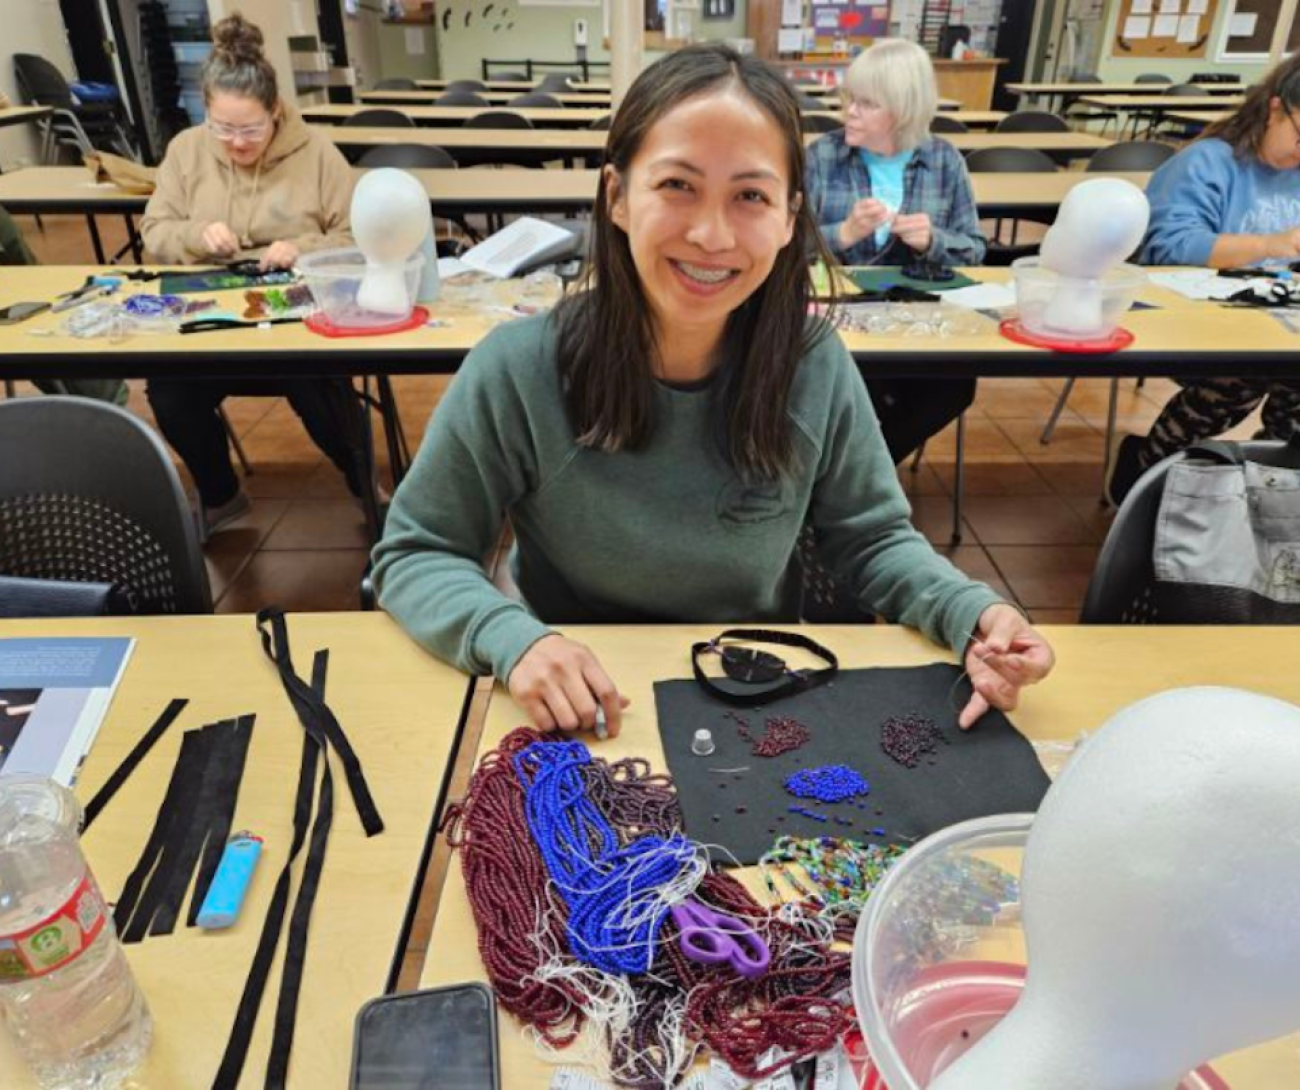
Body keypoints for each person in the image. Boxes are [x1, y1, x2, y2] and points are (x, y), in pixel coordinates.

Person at [373, 43, 1053, 739]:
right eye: (677, 185)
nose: (711, 234)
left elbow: (872, 539)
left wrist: (969, 614)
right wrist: (511, 638)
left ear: (790, 218)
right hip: (574, 708)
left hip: (752, 699)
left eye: (751, 196)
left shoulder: (813, 365)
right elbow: (417, 551)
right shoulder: (517, 369)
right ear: (617, 196)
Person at [140, 14, 364, 535]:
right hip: (208, 311)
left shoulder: (317, 154)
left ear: (276, 112)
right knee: (169, 389)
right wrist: (198, 236)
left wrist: (301, 247)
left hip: (294, 311)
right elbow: (155, 231)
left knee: (315, 380)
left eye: (250, 130)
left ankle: (362, 487)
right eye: (223, 129)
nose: (236, 143)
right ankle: (221, 495)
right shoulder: (186, 152)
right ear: (206, 114)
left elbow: (355, 237)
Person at [1108, 54, 1300, 506]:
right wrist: (1273, 244)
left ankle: (1275, 488)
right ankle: (1145, 476)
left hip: (1275, 319)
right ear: (1275, 109)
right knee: (1243, 374)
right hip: (1192, 320)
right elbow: (1169, 249)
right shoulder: (1208, 163)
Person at [804, 39, 985, 463]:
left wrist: (933, 241)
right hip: (838, 323)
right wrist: (843, 233)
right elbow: (781, 246)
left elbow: (974, 250)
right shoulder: (822, 156)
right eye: (849, 99)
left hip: (919, 321)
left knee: (955, 386)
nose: (849, 111)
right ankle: (858, 483)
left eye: (866, 104)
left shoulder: (944, 159)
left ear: (902, 110)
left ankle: (860, 476)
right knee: (843, 384)